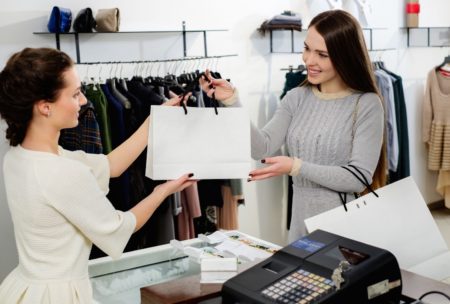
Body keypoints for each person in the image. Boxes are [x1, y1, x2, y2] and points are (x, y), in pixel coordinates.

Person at [0, 47, 196, 303]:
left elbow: (110, 165)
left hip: (25, 288)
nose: (83, 102)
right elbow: (122, 226)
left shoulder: (18, 156)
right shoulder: (62, 172)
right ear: (45, 107)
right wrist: (163, 190)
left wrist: (153, 121)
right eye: (75, 94)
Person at [200, 9, 386, 242]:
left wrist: (296, 166)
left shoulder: (366, 104)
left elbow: (359, 177)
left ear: (345, 55)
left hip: (345, 228)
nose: (309, 60)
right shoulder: (297, 97)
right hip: (300, 225)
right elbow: (263, 148)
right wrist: (232, 102)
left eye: (322, 54)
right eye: (307, 49)